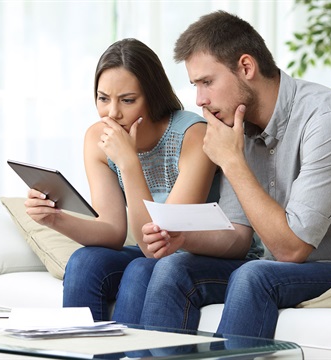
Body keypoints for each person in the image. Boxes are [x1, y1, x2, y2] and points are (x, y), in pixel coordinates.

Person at [113, 11, 331, 338]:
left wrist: (232, 162)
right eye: (195, 85)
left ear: (246, 67)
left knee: (254, 276)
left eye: (207, 82)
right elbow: (238, 235)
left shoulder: (329, 120)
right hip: (286, 266)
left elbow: (291, 250)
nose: (199, 100)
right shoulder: (237, 128)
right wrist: (183, 238)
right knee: (174, 267)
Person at [25, 38, 222, 321]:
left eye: (127, 100)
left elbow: (158, 244)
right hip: (153, 252)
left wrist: (129, 163)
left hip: (190, 253)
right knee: (84, 262)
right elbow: (112, 231)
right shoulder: (98, 138)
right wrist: (53, 218)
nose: (112, 113)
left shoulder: (194, 136)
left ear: (152, 96)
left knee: (141, 270)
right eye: (103, 98)